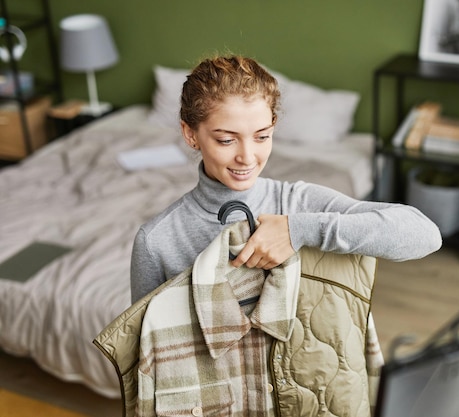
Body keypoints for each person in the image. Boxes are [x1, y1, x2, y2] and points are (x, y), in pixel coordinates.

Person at [130, 54, 442, 303]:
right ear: (190, 134)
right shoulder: (157, 240)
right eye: (226, 140)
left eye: (262, 136)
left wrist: (299, 230)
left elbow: (424, 234)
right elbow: (143, 354)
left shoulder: (296, 202)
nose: (248, 157)